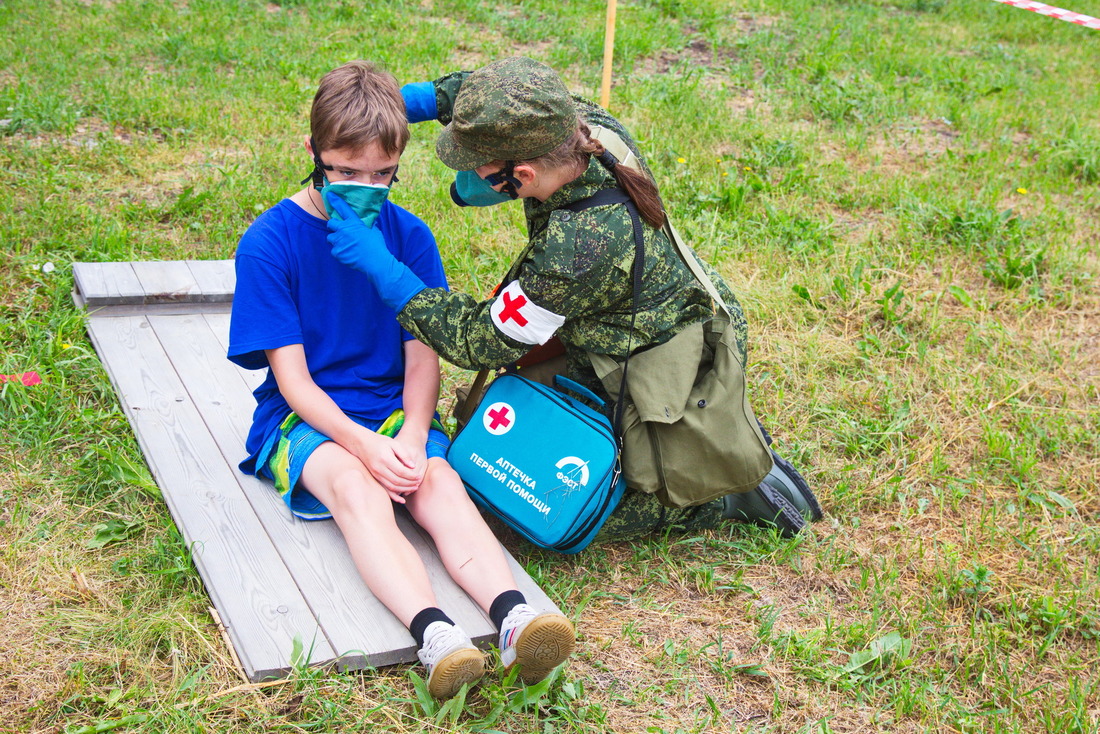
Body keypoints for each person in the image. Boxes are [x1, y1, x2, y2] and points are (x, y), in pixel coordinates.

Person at [323, 56, 822, 543]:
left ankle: (718, 491)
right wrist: (398, 102)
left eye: (477, 163)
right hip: (610, 320)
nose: (467, 171)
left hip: (649, 361)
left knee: (530, 502)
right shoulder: (582, 126)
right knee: (486, 444)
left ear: (520, 176)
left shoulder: (578, 246)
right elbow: (498, 95)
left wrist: (385, 270)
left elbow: (481, 341)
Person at [226, 60, 576, 700]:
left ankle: (515, 616)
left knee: (438, 479)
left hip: (393, 407)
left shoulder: (409, 235)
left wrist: (414, 433)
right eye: (345, 171)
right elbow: (295, 383)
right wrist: (365, 445)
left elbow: (423, 352)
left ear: (399, 161)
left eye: (382, 175)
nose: (364, 186)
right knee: (358, 489)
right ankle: (437, 635)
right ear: (313, 153)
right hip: (308, 419)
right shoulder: (269, 243)